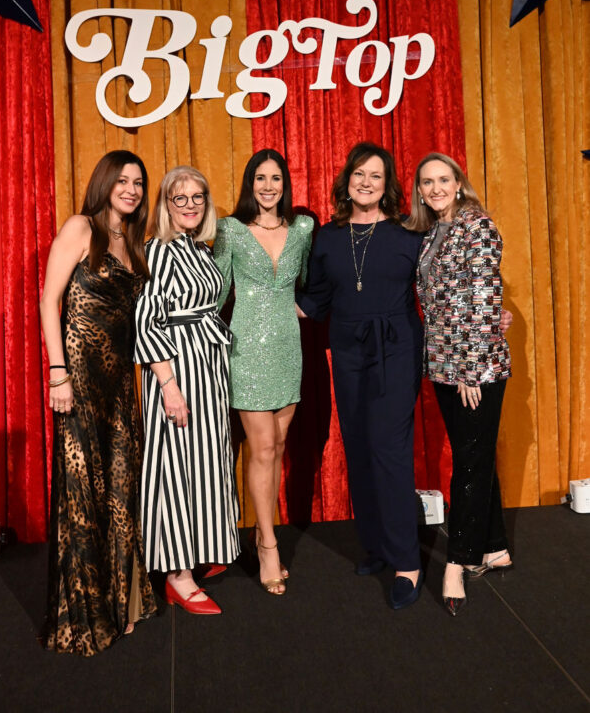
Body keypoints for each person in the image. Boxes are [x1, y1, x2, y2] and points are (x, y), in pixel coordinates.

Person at [296, 141, 424, 610]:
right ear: (346, 180)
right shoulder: (328, 237)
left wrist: (486, 317)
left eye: (376, 175)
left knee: (389, 449)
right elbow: (315, 299)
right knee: (359, 446)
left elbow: (441, 288)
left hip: (397, 348)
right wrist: (257, 309)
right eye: (359, 174)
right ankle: (377, 546)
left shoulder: (409, 233)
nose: (366, 182)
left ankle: (407, 561)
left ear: (387, 185)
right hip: (348, 350)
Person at [39, 150, 156, 655]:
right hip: (80, 379)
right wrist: (57, 373)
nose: (130, 189)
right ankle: (87, 614)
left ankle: (121, 602)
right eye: (122, 180)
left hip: (121, 384)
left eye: (138, 182)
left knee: (120, 490)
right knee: (83, 494)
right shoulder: (80, 227)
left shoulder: (134, 241)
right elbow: (49, 300)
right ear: (105, 182)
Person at [407, 152, 512, 616]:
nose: (435, 189)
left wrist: (471, 368)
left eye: (443, 180)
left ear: (458, 182)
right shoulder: (433, 232)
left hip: (476, 369)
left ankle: (457, 561)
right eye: (427, 182)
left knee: (468, 462)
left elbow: (486, 297)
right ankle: (494, 546)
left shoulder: (477, 226)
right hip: (442, 365)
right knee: (476, 454)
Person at [135, 166, 240, 615]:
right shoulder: (158, 250)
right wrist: (168, 385)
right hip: (177, 367)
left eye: (198, 197)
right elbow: (146, 321)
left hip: (208, 365)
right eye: (180, 198)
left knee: (206, 461)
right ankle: (178, 577)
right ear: (165, 204)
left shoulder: (198, 248)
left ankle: (201, 548)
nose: (191, 205)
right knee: (175, 467)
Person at [214, 149, 313, 595]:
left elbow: (310, 282)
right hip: (246, 350)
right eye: (260, 178)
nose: (268, 186)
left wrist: (306, 308)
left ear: (284, 183)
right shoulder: (231, 230)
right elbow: (216, 291)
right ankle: (269, 546)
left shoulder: (303, 229)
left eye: (275, 178)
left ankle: (261, 532)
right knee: (263, 447)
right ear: (249, 183)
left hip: (288, 348)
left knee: (278, 445)